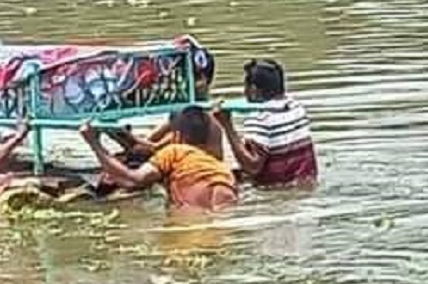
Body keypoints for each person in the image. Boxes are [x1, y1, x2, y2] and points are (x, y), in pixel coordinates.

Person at [79, 105, 238, 211]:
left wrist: (94, 144)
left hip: (190, 219)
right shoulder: (223, 170)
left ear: (176, 136)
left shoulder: (174, 151)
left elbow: (132, 179)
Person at [106, 46, 225, 162]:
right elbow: (150, 141)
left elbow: (152, 149)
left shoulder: (200, 116)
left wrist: (122, 136)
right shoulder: (183, 110)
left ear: (202, 80)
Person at [216, 59, 318, 188]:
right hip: (306, 181)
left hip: (277, 190)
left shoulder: (260, 117)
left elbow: (252, 167)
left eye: (245, 87)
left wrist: (227, 126)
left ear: (253, 90)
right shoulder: (296, 107)